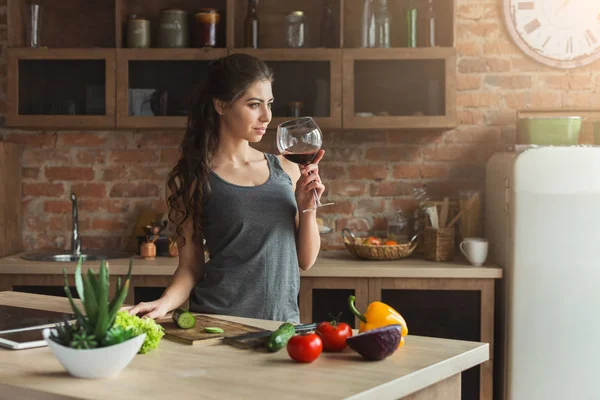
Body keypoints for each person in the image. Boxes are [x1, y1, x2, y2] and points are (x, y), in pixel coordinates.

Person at [126, 53, 326, 323]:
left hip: (281, 325)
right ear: (221, 105)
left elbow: (305, 260)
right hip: (218, 323)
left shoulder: (287, 168)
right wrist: (164, 304)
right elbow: (190, 268)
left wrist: (308, 207)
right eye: (254, 105)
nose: (267, 116)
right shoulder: (192, 178)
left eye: (269, 103)